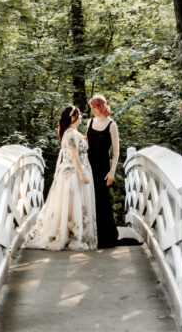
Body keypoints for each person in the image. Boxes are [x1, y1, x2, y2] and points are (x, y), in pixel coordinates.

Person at [26, 105, 97, 250]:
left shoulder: (74, 132)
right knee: (71, 204)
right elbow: (73, 156)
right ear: (73, 118)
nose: (82, 117)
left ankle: (71, 234)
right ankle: (67, 235)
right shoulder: (70, 134)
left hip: (75, 172)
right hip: (73, 174)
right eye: (79, 115)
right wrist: (82, 175)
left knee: (73, 206)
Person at [86, 94, 120, 248]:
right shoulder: (89, 122)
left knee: (102, 199)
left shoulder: (112, 124)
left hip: (103, 167)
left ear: (101, 106)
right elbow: (86, 143)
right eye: (91, 108)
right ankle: (91, 235)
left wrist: (112, 171)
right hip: (89, 165)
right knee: (89, 198)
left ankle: (106, 237)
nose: (92, 110)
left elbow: (116, 151)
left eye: (94, 107)